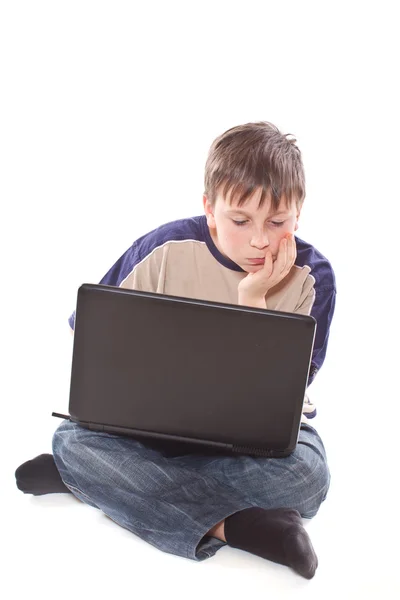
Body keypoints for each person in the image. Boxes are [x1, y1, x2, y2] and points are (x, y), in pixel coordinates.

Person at [15, 121, 336, 579]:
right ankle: (238, 526)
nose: (260, 239)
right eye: (240, 221)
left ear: (298, 213)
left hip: (252, 444)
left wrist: (253, 301)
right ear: (209, 208)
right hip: (148, 430)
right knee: (73, 439)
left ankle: (91, 481)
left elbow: (282, 393)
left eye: (278, 222)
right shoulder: (163, 247)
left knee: (308, 478)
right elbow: (88, 338)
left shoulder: (313, 278)